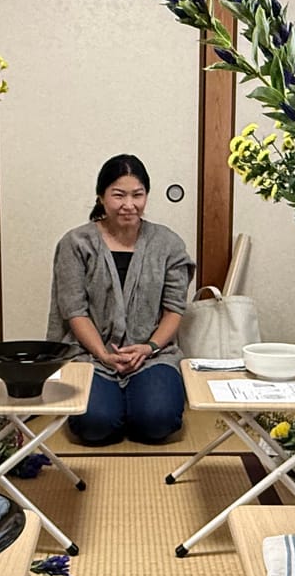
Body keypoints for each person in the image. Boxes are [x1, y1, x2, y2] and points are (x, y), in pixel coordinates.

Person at [49, 154, 194, 446]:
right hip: (89, 354)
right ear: (101, 197)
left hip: (153, 355)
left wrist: (149, 347)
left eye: (137, 195)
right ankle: (114, 402)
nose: (129, 204)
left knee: (158, 422)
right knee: (95, 426)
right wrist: (104, 354)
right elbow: (74, 311)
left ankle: (137, 401)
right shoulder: (76, 243)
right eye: (119, 195)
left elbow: (174, 308)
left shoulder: (168, 243)